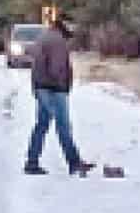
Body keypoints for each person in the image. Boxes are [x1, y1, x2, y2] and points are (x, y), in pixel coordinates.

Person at [24, 14, 94, 176]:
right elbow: (56, 67)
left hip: (41, 87)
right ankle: (74, 163)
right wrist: (63, 84)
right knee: (63, 126)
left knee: (41, 125)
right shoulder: (58, 41)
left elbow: (33, 55)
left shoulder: (45, 36)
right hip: (54, 89)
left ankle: (32, 162)